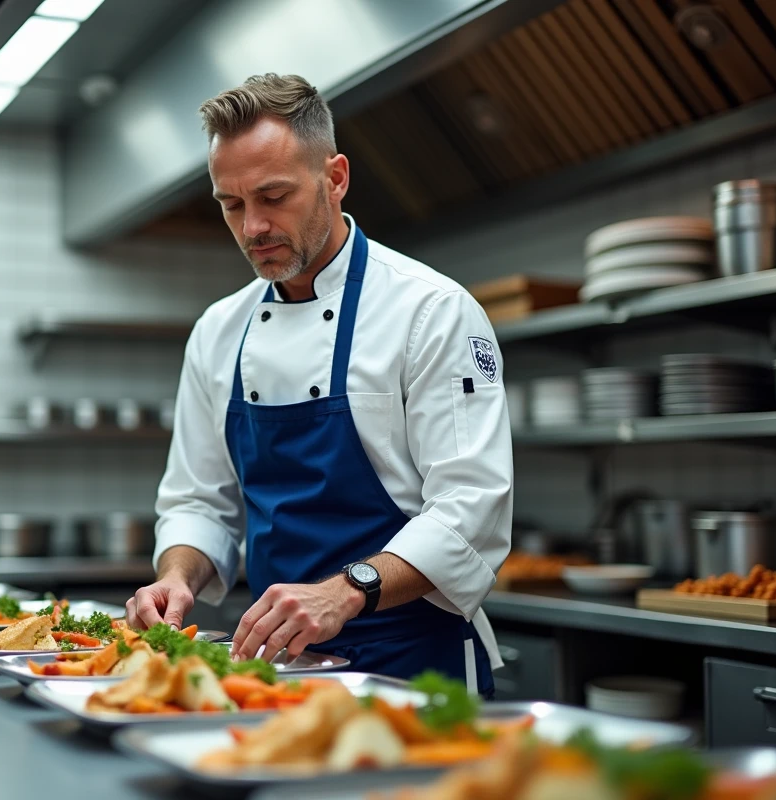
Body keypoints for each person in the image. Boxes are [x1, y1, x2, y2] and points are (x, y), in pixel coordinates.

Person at [125, 74, 512, 691]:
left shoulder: (431, 310)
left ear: (335, 179)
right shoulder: (219, 329)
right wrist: (176, 576)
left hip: (414, 664)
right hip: (279, 668)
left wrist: (347, 591)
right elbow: (200, 501)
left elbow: (472, 509)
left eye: (274, 196)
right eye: (231, 204)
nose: (253, 227)